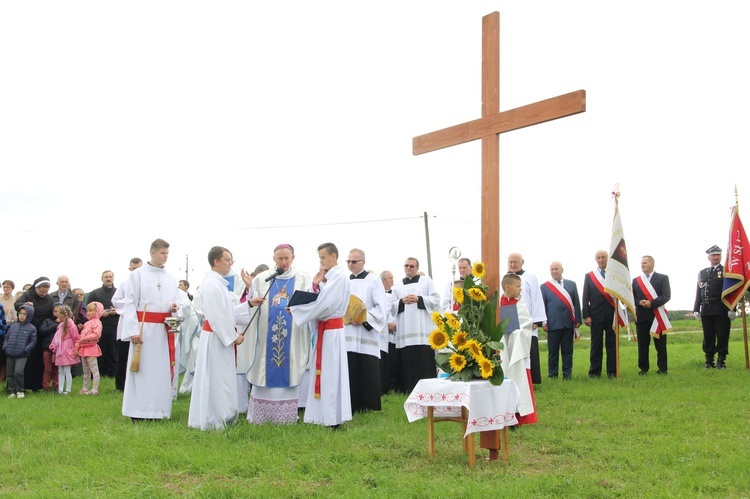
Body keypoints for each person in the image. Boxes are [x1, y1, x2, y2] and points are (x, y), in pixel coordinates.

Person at [188, 247, 260, 430]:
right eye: (227, 259)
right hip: (216, 339)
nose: (230, 263)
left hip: (218, 337)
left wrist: (249, 304)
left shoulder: (218, 284)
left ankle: (223, 415)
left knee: (222, 377)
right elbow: (218, 316)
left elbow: (228, 312)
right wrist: (233, 336)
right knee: (216, 378)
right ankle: (214, 418)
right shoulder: (212, 285)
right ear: (216, 261)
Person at [243, 244, 312, 424]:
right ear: (274, 259)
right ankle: (260, 416)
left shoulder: (303, 278)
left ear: (293, 258)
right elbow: (250, 305)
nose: (283, 262)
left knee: (289, 366)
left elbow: (310, 305)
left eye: (286, 258)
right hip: (266, 336)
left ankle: (286, 417)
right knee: (264, 368)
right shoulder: (262, 279)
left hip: (293, 335)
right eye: (280, 258)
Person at [289, 242, 351, 428]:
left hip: (331, 332)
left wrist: (298, 309)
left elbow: (324, 304)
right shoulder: (331, 278)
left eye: (323, 257)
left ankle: (331, 418)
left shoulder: (338, 277)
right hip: (328, 331)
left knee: (330, 374)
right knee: (324, 373)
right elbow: (321, 299)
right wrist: (315, 286)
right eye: (320, 258)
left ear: (334, 256)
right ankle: (321, 415)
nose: (321, 261)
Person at [121, 238, 182, 420]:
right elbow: (130, 302)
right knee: (142, 370)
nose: (165, 257)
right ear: (153, 252)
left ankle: (160, 411)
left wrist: (175, 306)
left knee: (161, 371)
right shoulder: (137, 275)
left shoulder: (170, 277)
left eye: (167, 254)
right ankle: (138, 411)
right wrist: (133, 331)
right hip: (144, 330)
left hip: (163, 331)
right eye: (163, 253)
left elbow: (178, 300)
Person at [344, 249, 388, 413]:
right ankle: (351, 404)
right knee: (350, 366)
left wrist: (364, 317)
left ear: (363, 262)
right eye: (348, 261)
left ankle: (369, 405)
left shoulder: (373, 280)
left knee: (366, 367)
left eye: (354, 261)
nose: (350, 264)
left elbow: (381, 307)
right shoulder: (344, 280)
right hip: (347, 330)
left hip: (364, 330)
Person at [390, 257, 441, 393]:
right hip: (405, 330)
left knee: (422, 359)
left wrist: (419, 299)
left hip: (422, 331)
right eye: (406, 265)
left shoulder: (426, 281)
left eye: (411, 266)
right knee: (406, 360)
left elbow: (436, 299)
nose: (408, 268)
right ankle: (406, 388)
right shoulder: (399, 284)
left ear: (417, 268)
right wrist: (401, 301)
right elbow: (391, 305)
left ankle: (427, 388)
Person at [499, 273, 537, 425]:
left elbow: (527, 323)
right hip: (501, 349)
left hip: (516, 348)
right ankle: (502, 414)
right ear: (508, 287)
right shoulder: (497, 303)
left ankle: (519, 416)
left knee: (518, 379)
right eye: (518, 286)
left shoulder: (520, 304)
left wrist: (518, 333)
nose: (521, 289)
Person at [507, 253, 547, 384]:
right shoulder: (505, 278)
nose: (513, 265)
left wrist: (536, 320)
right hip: (511, 318)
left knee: (529, 350)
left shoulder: (530, 277)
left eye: (515, 262)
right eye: (510, 262)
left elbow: (536, 297)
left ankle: (531, 380)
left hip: (527, 320)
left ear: (522, 262)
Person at [540, 262, 582, 379]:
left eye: (556, 269)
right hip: (553, 324)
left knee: (567, 351)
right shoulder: (544, 287)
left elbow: (576, 303)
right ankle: (552, 374)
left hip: (568, 323)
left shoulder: (571, 285)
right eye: (552, 269)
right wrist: (544, 322)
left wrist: (578, 319)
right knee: (553, 352)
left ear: (562, 270)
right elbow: (542, 306)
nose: (554, 271)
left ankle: (567, 375)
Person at [693, 245, 732, 369]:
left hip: (721, 307)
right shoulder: (702, 273)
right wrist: (696, 308)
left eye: (718, 255)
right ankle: (709, 360)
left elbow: (731, 291)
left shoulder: (726, 271)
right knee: (708, 335)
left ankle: (721, 360)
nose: (716, 257)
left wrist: (732, 308)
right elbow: (699, 291)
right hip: (706, 308)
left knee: (722, 334)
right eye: (713, 255)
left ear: (721, 256)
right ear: (708, 257)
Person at [14, 277, 56, 391]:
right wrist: (25, 304)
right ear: (36, 288)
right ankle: (23, 385)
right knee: (26, 357)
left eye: (46, 291)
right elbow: (17, 304)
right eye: (41, 291)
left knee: (39, 359)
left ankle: (37, 385)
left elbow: (53, 313)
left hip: (42, 332)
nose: (43, 293)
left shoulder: (50, 299)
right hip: (26, 331)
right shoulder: (27, 295)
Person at [633, 255, 672, 375]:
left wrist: (651, 303)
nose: (642, 265)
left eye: (645, 263)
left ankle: (662, 369)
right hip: (642, 317)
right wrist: (639, 302)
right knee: (642, 345)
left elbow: (666, 296)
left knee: (660, 345)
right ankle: (643, 368)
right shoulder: (636, 280)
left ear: (652, 264)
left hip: (657, 316)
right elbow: (632, 297)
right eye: (641, 263)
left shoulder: (662, 278)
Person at [582, 250, 618, 378]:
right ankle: (594, 372)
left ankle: (612, 371)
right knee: (596, 344)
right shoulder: (590, 276)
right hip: (595, 316)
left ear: (607, 258)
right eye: (599, 257)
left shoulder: (615, 275)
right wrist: (586, 315)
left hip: (612, 314)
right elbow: (585, 297)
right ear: (595, 259)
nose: (601, 260)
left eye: (603, 257)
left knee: (612, 344)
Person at [112, 258, 143, 390]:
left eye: (138, 268)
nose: (136, 271)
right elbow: (115, 301)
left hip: (142, 322)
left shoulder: (146, 283)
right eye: (133, 268)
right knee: (123, 355)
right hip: (126, 323)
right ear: (130, 269)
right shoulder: (124, 284)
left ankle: (139, 383)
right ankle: (121, 385)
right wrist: (131, 303)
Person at [86, 270, 119, 378]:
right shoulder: (95, 293)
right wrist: (100, 313)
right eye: (106, 277)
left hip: (115, 325)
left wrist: (116, 311)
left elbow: (126, 308)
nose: (108, 279)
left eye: (110, 277)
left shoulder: (119, 292)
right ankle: (97, 373)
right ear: (102, 279)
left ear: (113, 278)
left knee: (113, 351)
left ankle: (112, 374)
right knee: (98, 350)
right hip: (98, 327)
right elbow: (88, 309)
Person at [3, 304, 36, 399]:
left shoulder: (32, 328)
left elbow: (33, 342)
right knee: (10, 373)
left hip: (22, 354)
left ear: (29, 315)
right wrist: (6, 347)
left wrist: (25, 349)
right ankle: (11, 390)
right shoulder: (13, 326)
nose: (21, 316)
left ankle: (20, 390)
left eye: (24, 314)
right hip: (10, 353)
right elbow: (7, 338)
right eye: (20, 313)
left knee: (18, 372)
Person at [49, 305, 80, 395]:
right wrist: (54, 346)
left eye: (59, 313)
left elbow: (76, 338)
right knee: (60, 370)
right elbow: (56, 338)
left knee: (67, 370)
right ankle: (60, 389)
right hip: (60, 351)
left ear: (62, 315)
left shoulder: (71, 326)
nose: (57, 315)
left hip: (67, 350)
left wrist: (76, 349)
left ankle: (68, 389)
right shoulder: (60, 326)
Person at [77, 302, 103, 395]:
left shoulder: (97, 322)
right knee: (86, 370)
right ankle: (85, 388)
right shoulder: (87, 323)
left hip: (91, 348)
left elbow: (97, 335)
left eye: (91, 310)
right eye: (87, 310)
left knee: (94, 370)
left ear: (97, 311)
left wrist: (84, 339)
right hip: (84, 348)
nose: (88, 313)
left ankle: (95, 389)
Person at [379, 270, 397, 395]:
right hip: (382, 331)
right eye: (390, 278)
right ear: (384, 281)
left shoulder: (395, 293)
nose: (393, 280)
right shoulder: (379, 294)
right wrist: (387, 324)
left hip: (395, 331)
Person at [38, 302, 62, 391]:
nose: (57, 313)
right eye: (55, 311)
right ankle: (46, 386)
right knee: (47, 369)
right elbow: (43, 331)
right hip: (47, 348)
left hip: (59, 350)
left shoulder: (64, 322)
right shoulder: (47, 321)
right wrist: (55, 324)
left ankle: (56, 386)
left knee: (56, 369)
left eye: (59, 311)